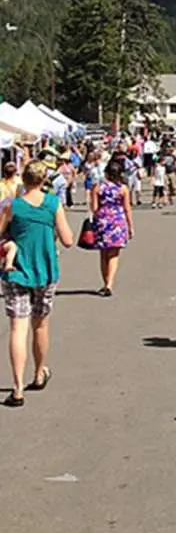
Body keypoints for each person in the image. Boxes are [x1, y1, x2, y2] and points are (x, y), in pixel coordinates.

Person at [0, 161, 74, 406]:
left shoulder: (13, 206)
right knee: (40, 325)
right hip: (45, 270)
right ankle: (39, 372)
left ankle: (17, 387)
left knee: (17, 329)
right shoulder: (53, 204)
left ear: (24, 179)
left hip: (17, 271)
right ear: (44, 180)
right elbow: (67, 240)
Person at [91, 160, 134, 298]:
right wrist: (130, 226)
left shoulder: (98, 187)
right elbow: (127, 208)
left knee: (103, 254)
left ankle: (105, 283)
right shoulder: (123, 189)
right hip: (118, 220)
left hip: (103, 220)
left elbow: (94, 208)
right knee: (114, 254)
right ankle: (110, 283)